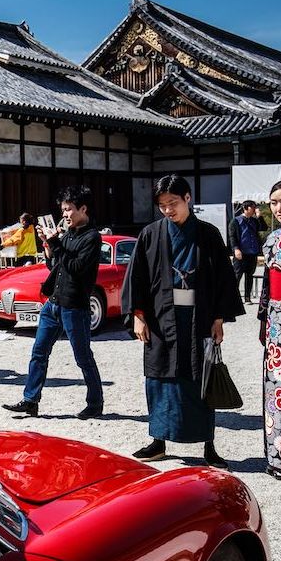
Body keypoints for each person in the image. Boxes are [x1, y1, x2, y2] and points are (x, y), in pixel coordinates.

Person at [121, 174, 243, 468]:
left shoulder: (209, 234)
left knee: (201, 378)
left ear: (188, 198)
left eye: (173, 203)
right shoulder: (151, 234)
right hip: (161, 318)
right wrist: (138, 316)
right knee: (159, 378)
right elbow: (135, 277)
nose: (168, 210)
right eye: (162, 205)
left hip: (198, 316)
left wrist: (218, 319)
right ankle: (158, 441)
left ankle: (209, 445)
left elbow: (222, 280)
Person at [3, 185, 104, 420]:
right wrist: (48, 245)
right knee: (39, 352)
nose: (65, 214)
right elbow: (55, 266)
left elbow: (78, 269)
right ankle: (31, 400)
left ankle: (95, 402)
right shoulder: (66, 234)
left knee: (83, 357)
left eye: (68, 210)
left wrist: (57, 245)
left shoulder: (92, 237)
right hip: (53, 303)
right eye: (63, 209)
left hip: (75, 306)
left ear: (83, 209)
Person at [258, 178, 281, 480]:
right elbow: (267, 287)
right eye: (274, 202)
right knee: (276, 388)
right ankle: (279, 457)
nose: (279, 208)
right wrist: (262, 321)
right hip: (276, 321)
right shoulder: (272, 239)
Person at [229, 200, 267, 304]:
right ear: (245, 208)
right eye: (252, 207)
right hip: (240, 253)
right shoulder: (235, 221)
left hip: (252, 253)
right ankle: (233, 298)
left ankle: (247, 298)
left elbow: (264, 228)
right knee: (237, 275)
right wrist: (236, 249)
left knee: (249, 275)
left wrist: (260, 217)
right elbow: (232, 237)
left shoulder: (254, 221)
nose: (255, 209)